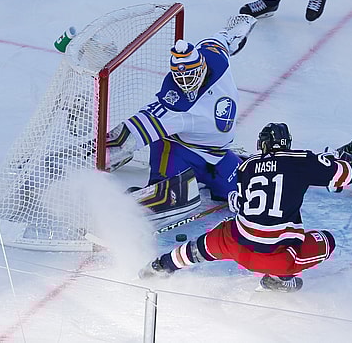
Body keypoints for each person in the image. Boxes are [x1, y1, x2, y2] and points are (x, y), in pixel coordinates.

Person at [138, 122, 352, 292]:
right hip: (277, 257)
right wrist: (347, 162)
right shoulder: (299, 160)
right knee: (327, 241)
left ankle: (162, 265)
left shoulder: (247, 166)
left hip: (238, 247)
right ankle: (278, 280)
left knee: (204, 246)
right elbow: (344, 176)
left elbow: (238, 201)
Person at [104, 14, 257, 221]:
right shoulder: (173, 104)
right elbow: (127, 135)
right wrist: (92, 156)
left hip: (216, 154)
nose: (186, 82)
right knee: (169, 198)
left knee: (245, 188)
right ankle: (118, 211)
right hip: (178, 152)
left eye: (190, 74)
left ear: (202, 65)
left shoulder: (216, 57)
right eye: (180, 76)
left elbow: (226, 38)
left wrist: (244, 24)